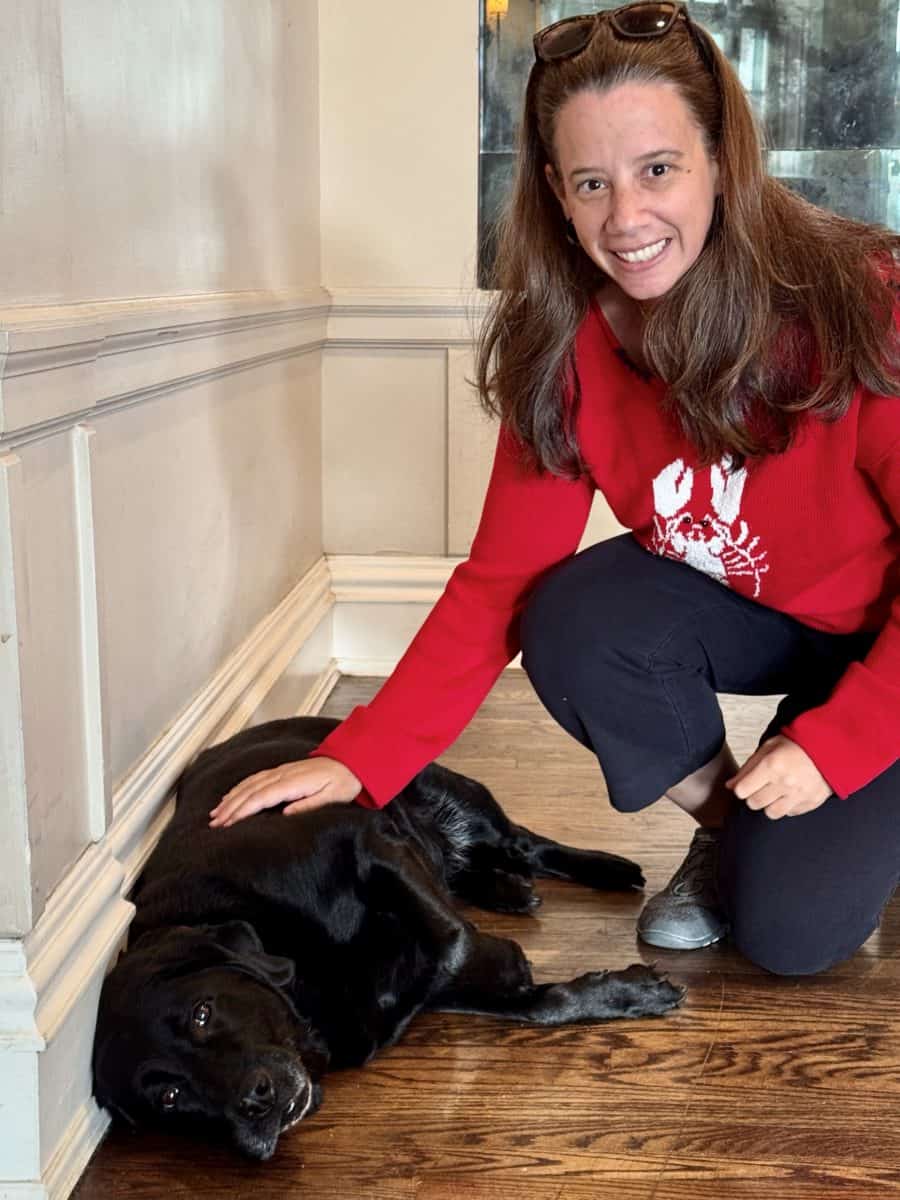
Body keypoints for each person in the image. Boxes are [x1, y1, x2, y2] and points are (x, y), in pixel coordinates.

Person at [209, 2, 900, 975]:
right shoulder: (566, 345)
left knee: (793, 941)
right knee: (572, 616)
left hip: (887, 632)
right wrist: (359, 758)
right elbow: (500, 583)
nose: (627, 219)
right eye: (592, 182)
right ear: (555, 192)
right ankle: (740, 830)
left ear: (722, 160)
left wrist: (841, 745)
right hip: (774, 616)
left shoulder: (861, 302)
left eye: (658, 169)